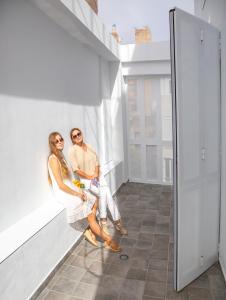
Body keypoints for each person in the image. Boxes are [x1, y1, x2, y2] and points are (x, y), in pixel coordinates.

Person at [47, 131, 121, 252]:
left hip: (71, 187)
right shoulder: (53, 159)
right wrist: (77, 194)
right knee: (90, 215)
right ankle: (108, 240)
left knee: (94, 197)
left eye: (61, 140)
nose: (60, 142)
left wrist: (82, 187)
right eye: (57, 141)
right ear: (52, 143)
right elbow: (60, 185)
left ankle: (89, 229)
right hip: (63, 193)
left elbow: (71, 180)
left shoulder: (61, 157)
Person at [68, 128, 128, 235]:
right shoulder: (73, 150)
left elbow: (97, 161)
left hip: (98, 176)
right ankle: (106, 221)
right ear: (72, 139)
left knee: (108, 196)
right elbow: (76, 169)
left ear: (81, 134)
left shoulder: (89, 146)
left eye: (79, 134)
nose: (77, 136)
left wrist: (96, 173)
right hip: (86, 180)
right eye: (74, 136)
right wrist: (90, 176)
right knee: (103, 194)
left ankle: (114, 222)